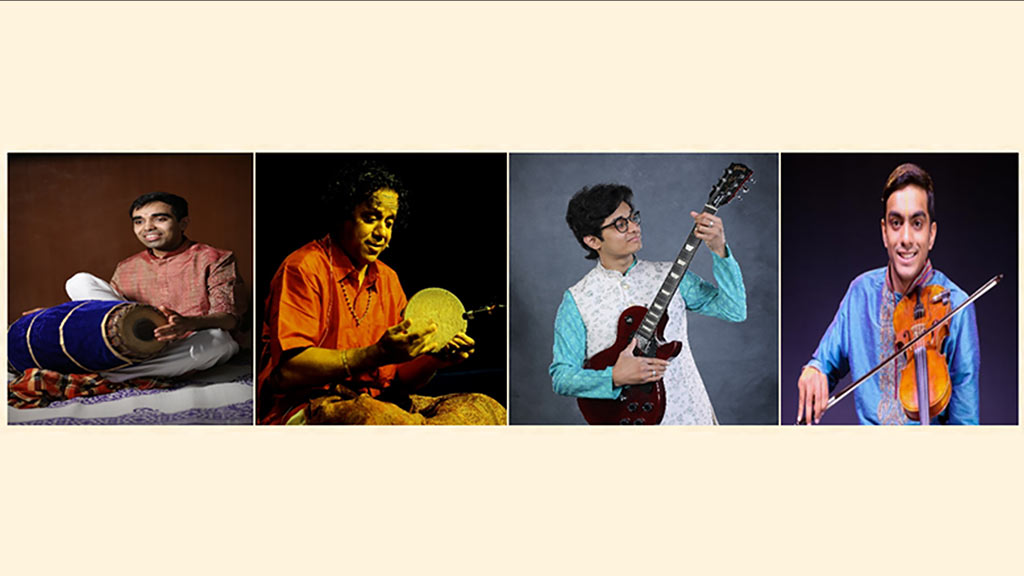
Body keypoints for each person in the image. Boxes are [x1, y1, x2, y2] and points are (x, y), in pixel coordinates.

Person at [257, 161, 506, 425]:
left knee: (483, 408)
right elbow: (288, 371)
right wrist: (376, 353)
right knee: (375, 416)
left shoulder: (388, 278)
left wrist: (434, 358)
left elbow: (399, 377)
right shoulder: (304, 267)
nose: (382, 233)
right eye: (370, 218)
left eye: (389, 222)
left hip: (378, 401)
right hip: (307, 404)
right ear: (343, 215)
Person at [796, 163, 980, 425]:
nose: (906, 238)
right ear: (884, 232)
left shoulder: (956, 306)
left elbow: (966, 425)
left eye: (917, 223)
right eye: (896, 223)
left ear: (931, 235)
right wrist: (814, 370)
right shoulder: (860, 293)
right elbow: (824, 362)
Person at [550, 183, 747, 425]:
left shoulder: (672, 275)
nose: (633, 227)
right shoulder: (576, 300)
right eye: (620, 224)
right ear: (593, 240)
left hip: (691, 417)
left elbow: (734, 310)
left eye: (633, 218)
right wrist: (614, 377)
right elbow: (562, 377)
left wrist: (719, 251)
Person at [64, 192, 245, 382]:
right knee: (78, 281)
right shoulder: (127, 267)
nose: (148, 227)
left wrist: (186, 323)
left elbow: (230, 319)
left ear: (183, 223)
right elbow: (106, 314)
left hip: (189, 340)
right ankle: (147, 366)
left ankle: (117, 374)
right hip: (138, 343)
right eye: (139, 221)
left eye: (160, 219)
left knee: (220, 342)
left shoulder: (215, 258)